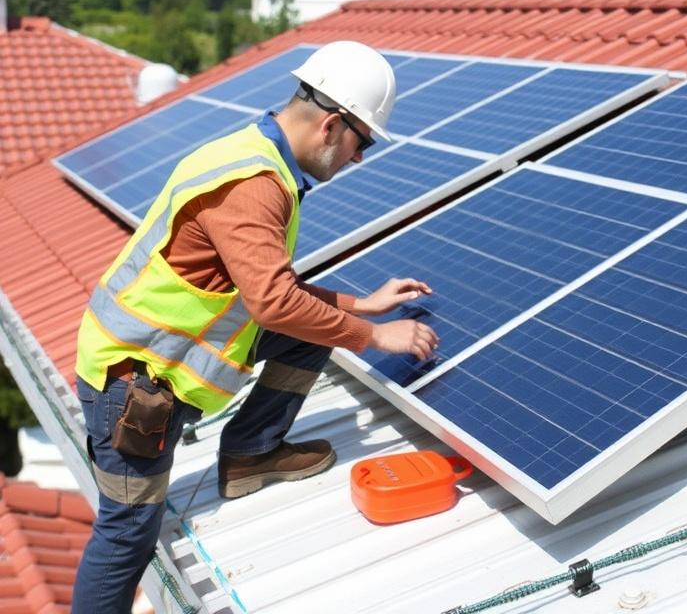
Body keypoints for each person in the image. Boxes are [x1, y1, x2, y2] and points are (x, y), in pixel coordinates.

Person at [71, 41, 439, 613]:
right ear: (333, 125)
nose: (358, 159)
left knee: (317, 327)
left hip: (151, 358)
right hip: (131, 383)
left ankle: (251, 453)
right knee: (126, 535)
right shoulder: (255, 186)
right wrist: (373, 336)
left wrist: (358, 305)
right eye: (361, 142)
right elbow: (272, 302)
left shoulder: (252, 152)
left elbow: (267, 291)